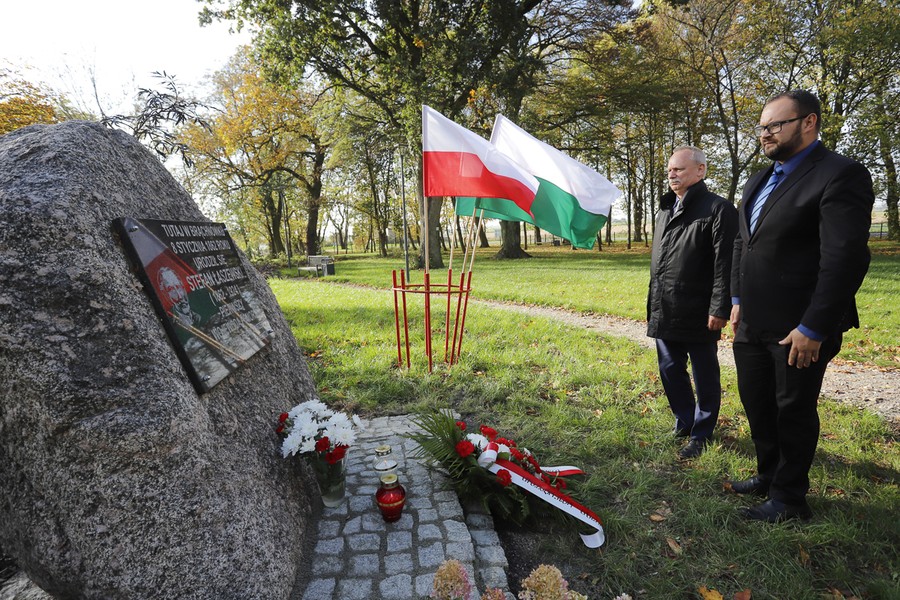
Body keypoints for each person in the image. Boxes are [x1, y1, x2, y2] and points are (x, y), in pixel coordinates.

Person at [729, 90, 874, 522]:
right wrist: (736, 299)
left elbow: (845, 258)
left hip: (799, 326)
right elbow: (743, 242)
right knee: (758, 403)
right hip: (752, 321)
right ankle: (769, 476)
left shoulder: (840, 174)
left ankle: (790, 499)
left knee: (792, 410)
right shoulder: (758, 179)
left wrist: (814, 326)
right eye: (761, 127)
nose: (765, 134)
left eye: (775, 125)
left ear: (808, 123)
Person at [647, 146, 738, 460]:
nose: (673, 174)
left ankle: (701, 433)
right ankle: (684, 420)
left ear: (700, 171)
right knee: (670, 368)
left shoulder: (718, 209)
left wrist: (719, 307)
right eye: (670, 169)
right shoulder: (665, 207)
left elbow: (725, 263)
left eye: (680, 169)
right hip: (665, 306)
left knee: (704, 374)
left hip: (700, 310)